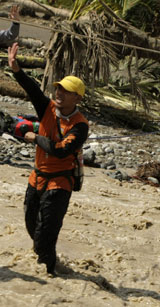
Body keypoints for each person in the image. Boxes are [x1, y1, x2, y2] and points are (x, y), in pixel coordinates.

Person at [8, 42, 89, 275]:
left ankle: (50, 270)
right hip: (37, 177)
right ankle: (45, 258)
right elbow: (32, 89)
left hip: (60, 182)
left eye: (65, 91)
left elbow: (61, 150)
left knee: (47, 232)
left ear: (78, 98)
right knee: (31, 224)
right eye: (58, 89)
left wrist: (33, 137)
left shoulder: (80, 126)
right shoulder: (47, 108)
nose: (59, 93)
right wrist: (16, 70)